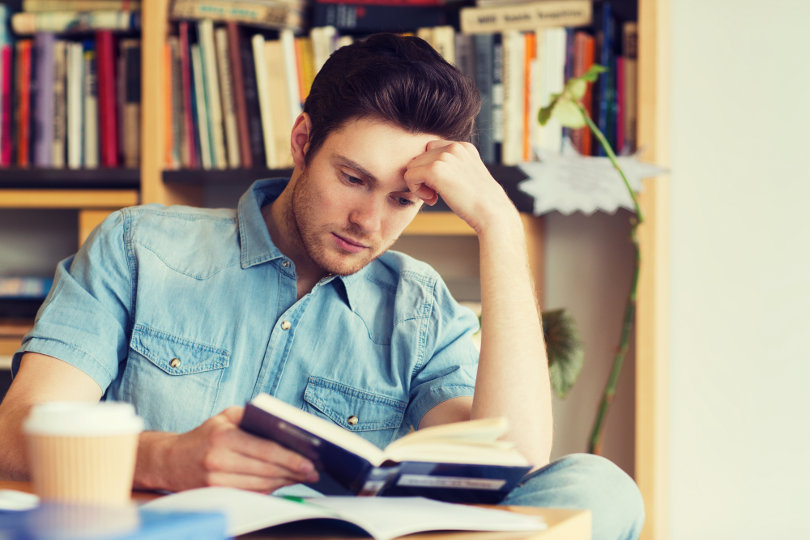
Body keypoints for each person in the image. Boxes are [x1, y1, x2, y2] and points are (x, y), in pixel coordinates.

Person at [0, 34, 643, 539]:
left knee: (598, 487)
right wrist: (165, 460)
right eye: (354, 178)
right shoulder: (140, 246)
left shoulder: (419, 313)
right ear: (303, 142)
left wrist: (499, 226)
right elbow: (16, 432)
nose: (370, 222)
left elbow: (516, 459)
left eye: (403, 199)